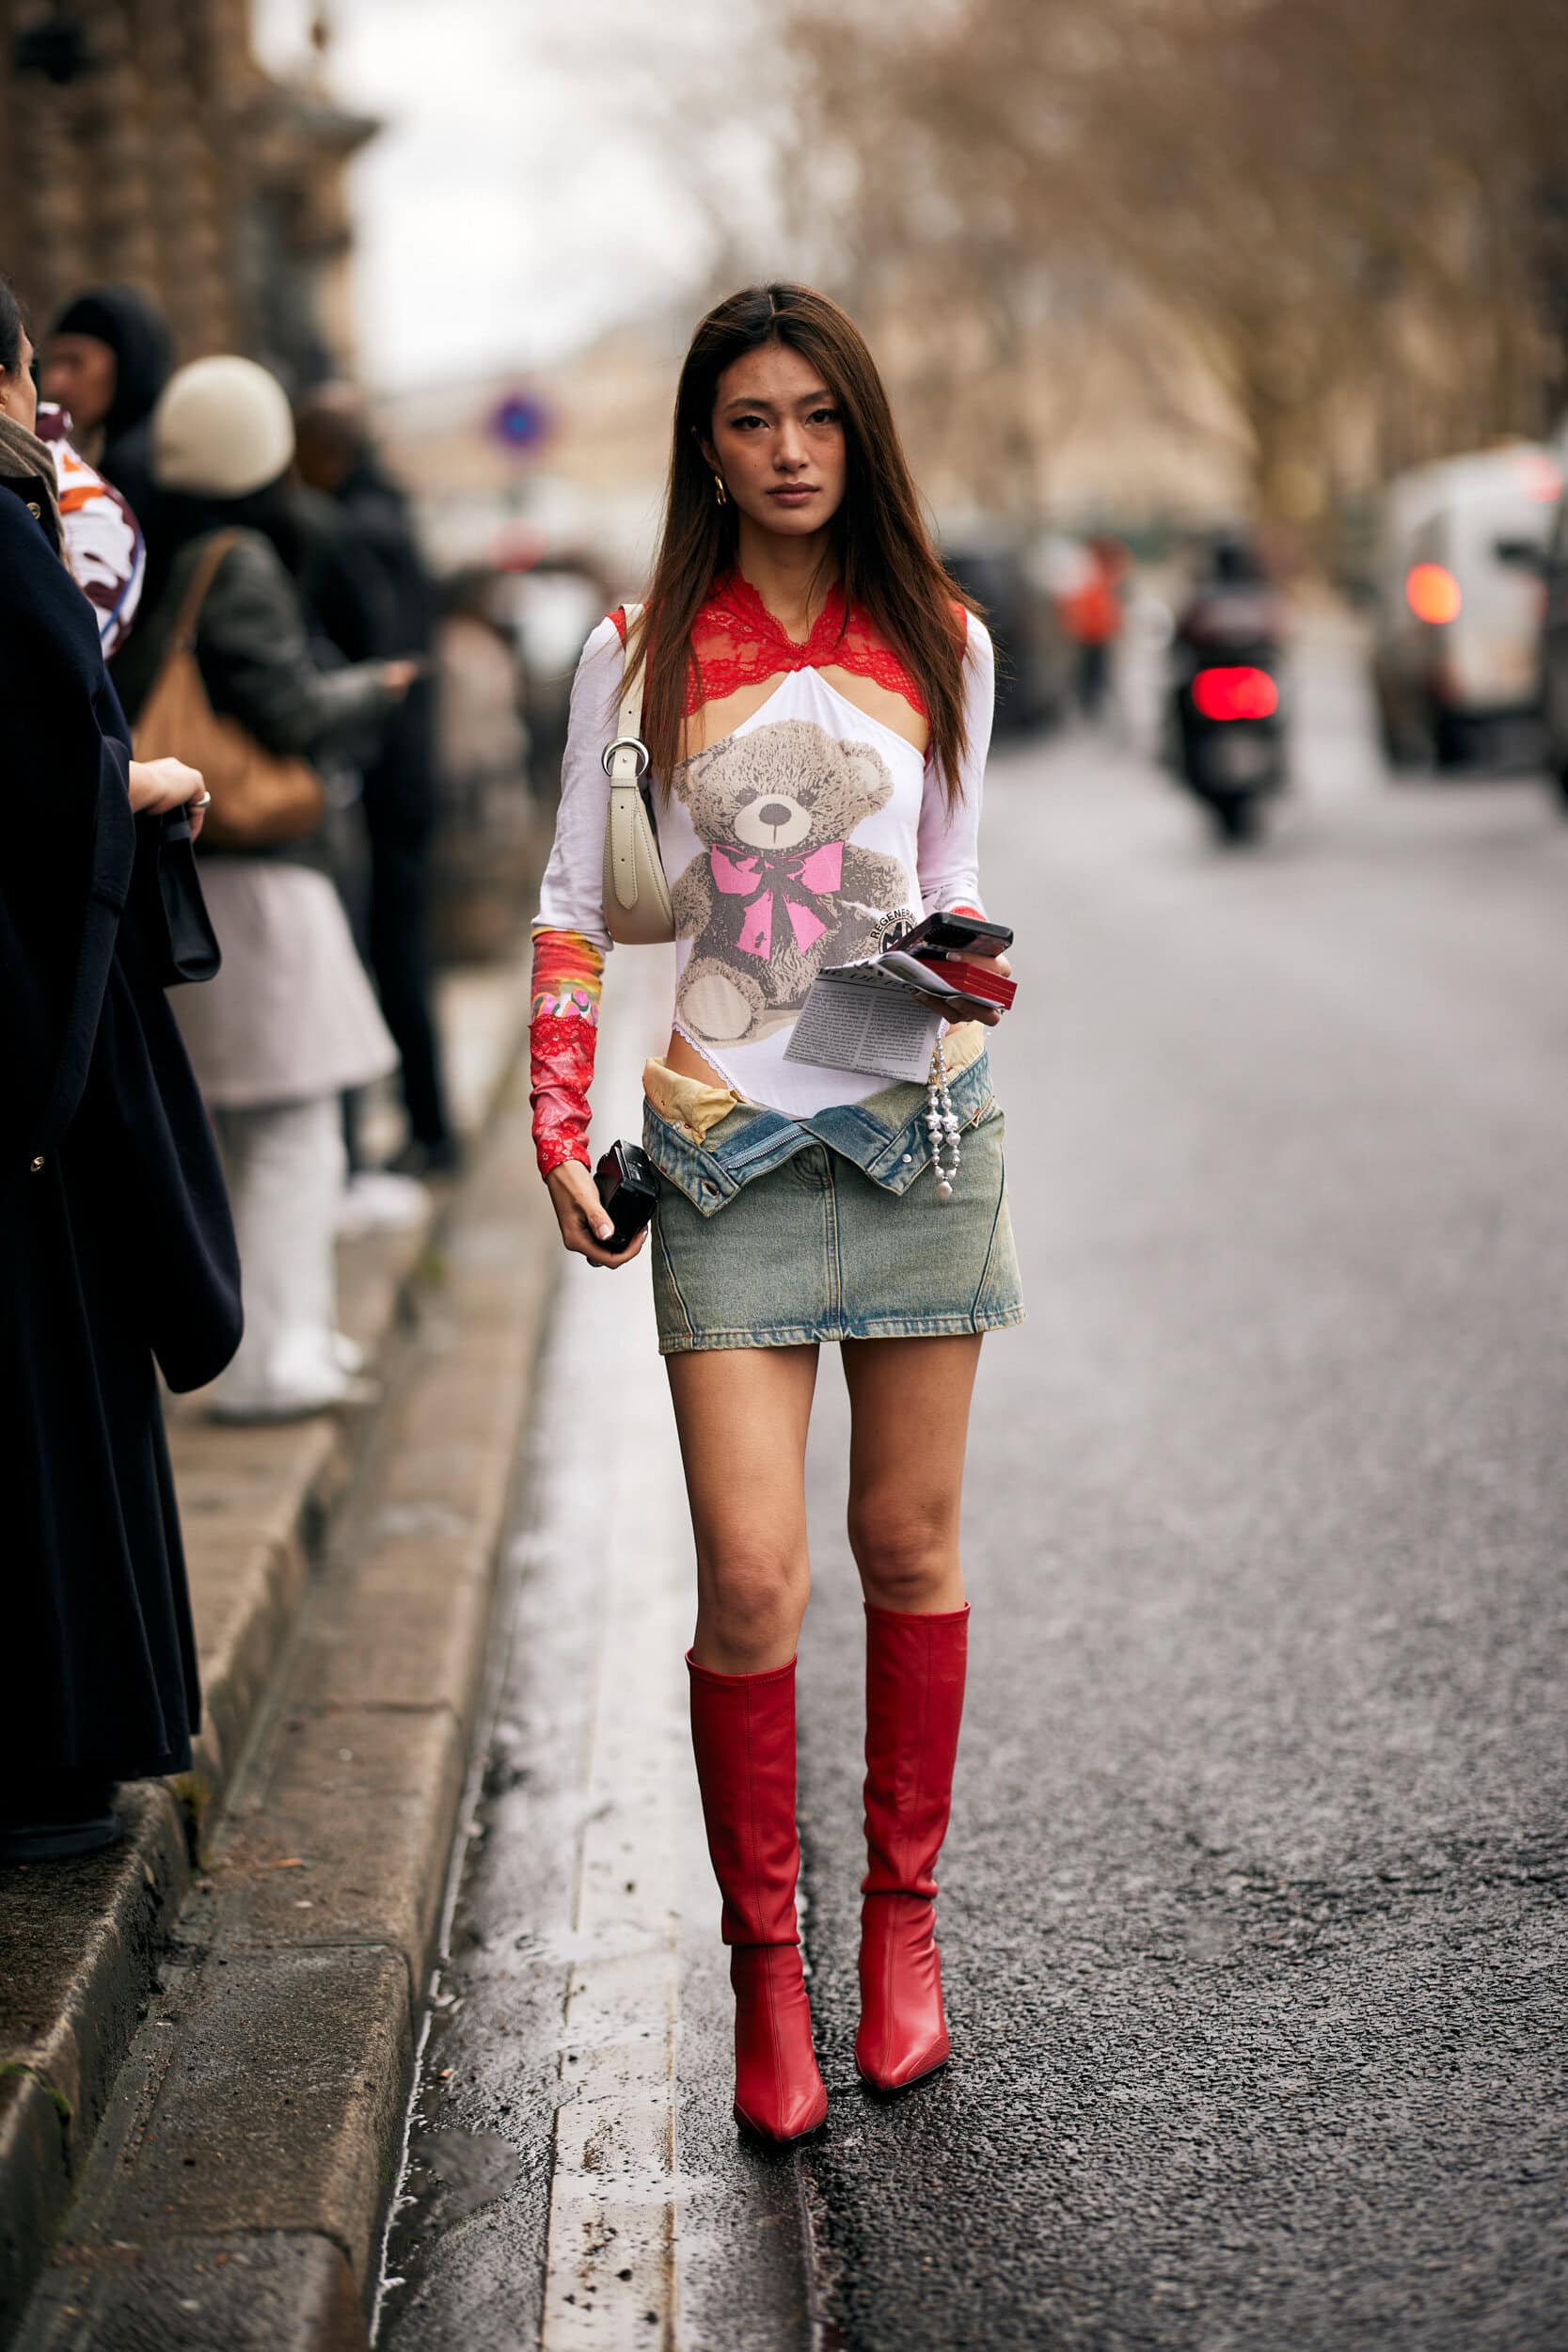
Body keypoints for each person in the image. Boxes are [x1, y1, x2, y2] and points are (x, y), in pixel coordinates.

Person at [530, 283, 1024, 2145]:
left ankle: (898, 1937)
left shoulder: (940, 638)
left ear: (859, 430)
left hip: (918, 1140)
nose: (790, 449)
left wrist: (969, 972)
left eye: (818, 414)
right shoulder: (638, 646)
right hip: (722, 1148)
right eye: (749, 419)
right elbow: (574, 899)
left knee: (907, 1541)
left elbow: (955, 876)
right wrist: (555, 1119)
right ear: (702, 443)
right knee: (748, 1577)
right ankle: (765, 1975)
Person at [0, 277, 242, 1864]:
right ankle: (43, 1760)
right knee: (41, 1388)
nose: (46, 403)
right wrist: (130, 779)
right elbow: (25, 767)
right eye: (30, 371)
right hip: (30, 1046)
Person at [114, 357, 417, 1422]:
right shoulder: (239, 561)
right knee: (291, 1127)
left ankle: (279, 1340)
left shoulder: (155, 551)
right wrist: (372, 689)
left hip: (203, 878)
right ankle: (277, 1358)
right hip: (262, 882)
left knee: (247, 1131)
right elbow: (286, 712)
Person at [294, 383, 459, 1176]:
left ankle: (429, 1133)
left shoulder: (351, 530)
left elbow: (383, 660)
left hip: (386, 779)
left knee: (392, 957)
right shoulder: (388, 515)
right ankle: (429, 1128)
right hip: (410, 770)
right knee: (401, 955)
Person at [40, 283, 173, 528]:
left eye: (74, 361)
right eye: (55, 363)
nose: (54, 384)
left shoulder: (132, 468)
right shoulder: (155, 444)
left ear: (127, 362)